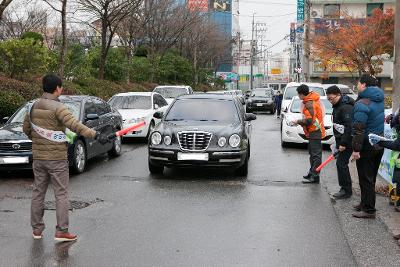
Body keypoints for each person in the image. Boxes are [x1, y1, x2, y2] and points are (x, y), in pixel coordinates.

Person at [23, 74, 110, 241]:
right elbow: (75, 125)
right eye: (61, 87)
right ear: (57, 88)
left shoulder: (32, 106)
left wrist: (39, 141)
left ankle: (37, 230)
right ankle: (62, 231)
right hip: (56, 158)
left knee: (38, 192)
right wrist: (96, 134)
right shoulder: (59, 107)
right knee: (61, 194)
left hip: (39, 158)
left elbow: (26, 129)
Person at [351, 74, 384, 219]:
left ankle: (369, 210)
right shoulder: (379, 99)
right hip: (378, 143)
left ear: (363, 84)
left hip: (366, 146)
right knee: (371, 177)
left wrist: (356, 150)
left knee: (365, 178)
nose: (357, 86)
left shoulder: (362, 103)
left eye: (358, 83)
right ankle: (365, 203)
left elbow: (359, 128)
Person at [292, 84, 325, 184]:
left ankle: (315, 176)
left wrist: (298, 121)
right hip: (313, 131)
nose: (298, 96)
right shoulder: (310, 101)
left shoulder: (309, 103)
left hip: (315, 131)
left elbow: (310, 120)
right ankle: (312, 173)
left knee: (316, 155)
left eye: (298, 94)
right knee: (312, 154)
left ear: (302, 94)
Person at [326, 85, 354, 199]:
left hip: (347, 141)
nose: (330, 101)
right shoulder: (337, 105)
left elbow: (349, 127)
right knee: (341, 164)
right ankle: (345, 189)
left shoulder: (346, 107)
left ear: (338, 95)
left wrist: (343, 144)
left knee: (341, 164)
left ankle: (346, 190)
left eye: (331, 98)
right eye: (328, 99)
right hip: (341, 140)